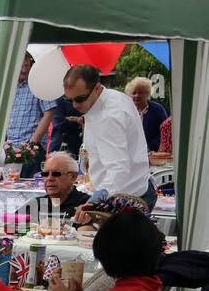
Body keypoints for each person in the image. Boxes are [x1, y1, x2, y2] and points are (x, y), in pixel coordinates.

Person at [62, 64, 154, 209]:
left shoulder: (110, 116)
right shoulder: (111, 97)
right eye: (69, 100)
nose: (74, 105)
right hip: (126, 190)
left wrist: (96, 200)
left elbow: (119, 169)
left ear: (97, 88)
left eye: (80, 99)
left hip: (126, 197)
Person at [6, 52, 53, 174]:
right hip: (9, 147)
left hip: (31, 147)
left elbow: (49, 112)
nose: (25, 69)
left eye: (27, 65)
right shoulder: (8, 86)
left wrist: (33, 142)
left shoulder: (38, 83)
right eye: (21, 66)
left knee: (30, 187)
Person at [26, 152, 90, 223]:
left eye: (56, 174)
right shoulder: (36, 205)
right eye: (45, 174)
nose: (49, 178)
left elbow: (87, 231)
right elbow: (14, 227)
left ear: (73, 177)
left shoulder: (86, 204)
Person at [125, 76, 168, 153]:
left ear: (148, 93)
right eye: (134, 93)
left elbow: (165, 132)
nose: (137, 96)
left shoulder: (157, 109)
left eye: (140, 92)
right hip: (132, 152)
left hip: (154, 152)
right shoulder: (126, 111)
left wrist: (150, 147)